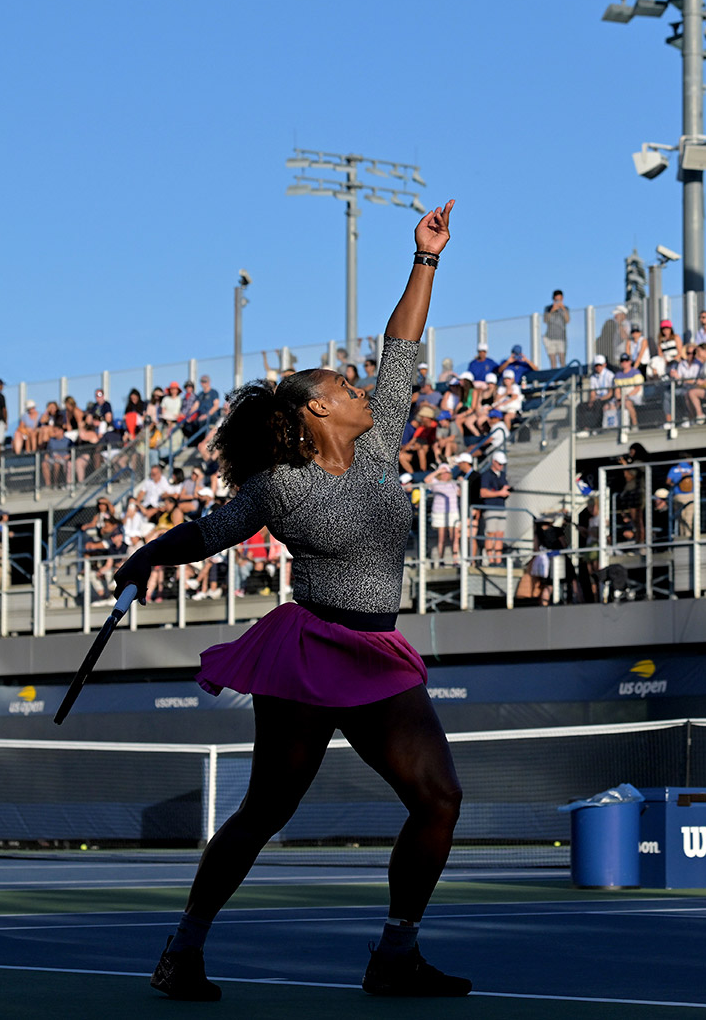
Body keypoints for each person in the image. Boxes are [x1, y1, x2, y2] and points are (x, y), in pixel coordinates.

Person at [112, 200, 469, 1000]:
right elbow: (206, 534)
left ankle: (395, 953)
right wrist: (143, 556)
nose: (356, 385)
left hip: (380, 653)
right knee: (265, 812)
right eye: (343, 384)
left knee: (439, 798)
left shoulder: (380, 443)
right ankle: (184, 947)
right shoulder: (279, 487)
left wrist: (426, 257)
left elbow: (401, 344)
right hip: (310, 656)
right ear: (315, 409)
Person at [543, 290, 570, 368]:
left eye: (560, 299)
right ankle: (555, 379)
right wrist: (552, 310)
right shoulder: (548, 308)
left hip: (561, 338)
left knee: (562, 359)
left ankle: (563, 378)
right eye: (556, 300)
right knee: (553, 361)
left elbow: (567, 320)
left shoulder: (565, 309)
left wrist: (563, 309)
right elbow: (545, 320)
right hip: (550, 338)